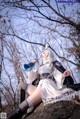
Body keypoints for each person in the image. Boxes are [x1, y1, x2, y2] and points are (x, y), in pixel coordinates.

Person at [8, 45, 80, 119]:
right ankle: (26, 110)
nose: (42, 55)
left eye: (43, 53)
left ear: (48, 54)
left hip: (46, 87)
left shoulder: (53, 63)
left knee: (24, 105)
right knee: (21, 85)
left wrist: (64, 75)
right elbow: (31, 78)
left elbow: (58, 75)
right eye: (42, 54)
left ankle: (19, 112)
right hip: (39, 86)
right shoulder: (40, 66)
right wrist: (31, 67)